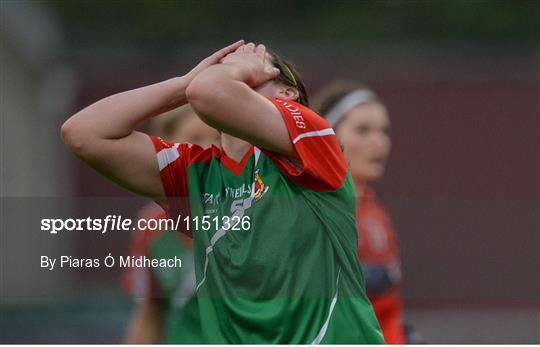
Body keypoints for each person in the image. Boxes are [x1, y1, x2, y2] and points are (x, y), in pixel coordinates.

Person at [61, 41, 384, 343]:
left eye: (250, 71)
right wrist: (183, 83)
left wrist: (210, 82)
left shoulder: (311, 141)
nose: (233, 75)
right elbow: (84, 133)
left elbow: (211, 92)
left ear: (288, 94)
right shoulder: (196, 174)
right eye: (226, 70)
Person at [313, 81, 407, 343]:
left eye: (384, 130)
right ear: (328, 134)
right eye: (363, 130)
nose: (379, 142)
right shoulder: (313, 209)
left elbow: (386, 309)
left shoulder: (375, 212)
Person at [122, 105, 219, 343]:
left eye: (218, 137)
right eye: (194, 139)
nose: (208, 149)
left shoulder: (258, 210)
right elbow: (149, 315)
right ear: (166, 147)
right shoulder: (152, 227)